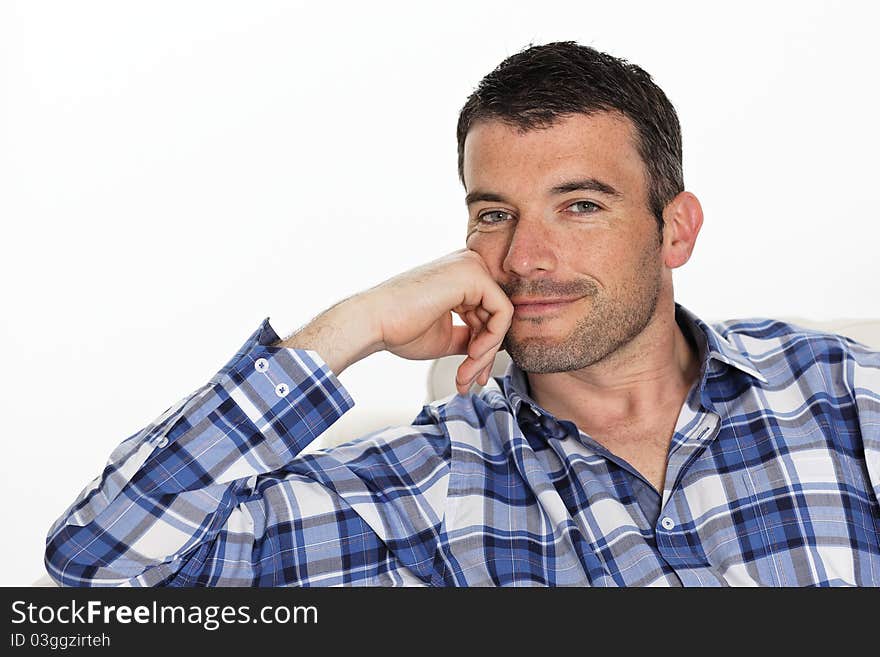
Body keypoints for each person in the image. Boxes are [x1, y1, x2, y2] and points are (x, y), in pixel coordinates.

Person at [45, 41, 880, 587]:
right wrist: (353, 325)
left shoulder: (841, 392)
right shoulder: (423, 485)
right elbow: (102, 565)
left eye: (580, 206)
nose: (524, 259)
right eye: (493, 213)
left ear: (675, 228)